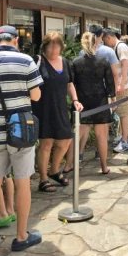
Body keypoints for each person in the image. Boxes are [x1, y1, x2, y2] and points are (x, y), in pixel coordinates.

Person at [0, 25, 43, 252]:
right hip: (20, 133)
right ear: (15, 41)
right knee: (23, 183)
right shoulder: (26, 62)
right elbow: (36, 95)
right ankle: (21, 236)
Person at [32, 32, 82, 193]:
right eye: (50, 45)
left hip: (60, 107)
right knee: (46, 144)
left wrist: (75, 100)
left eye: (57, 45)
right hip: (43, 107)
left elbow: (69, 83)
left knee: (65, 140)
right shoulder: (38, 62)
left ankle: (54, 170)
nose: (54, 48)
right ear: (44, 46)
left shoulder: (66, 62)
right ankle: (43, 179)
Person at [74, 32, 116, 174]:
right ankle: (104, 166)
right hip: (100, 100)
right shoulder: (103, 61)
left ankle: (69, 164)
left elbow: (72, 83)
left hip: (82, 100)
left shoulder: (76, 62)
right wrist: (113, 97)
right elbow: (110, 81)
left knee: (78, 135)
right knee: (102, 136)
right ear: (96, 43)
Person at [103, 29, 128, 153]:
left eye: (105, 40)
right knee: (121, 113)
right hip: (122, 85)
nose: (105, 43)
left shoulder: (121, 47)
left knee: (124, 113)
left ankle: (125, 141)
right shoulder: (118, 46)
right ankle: (123, 137)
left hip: (124, 86)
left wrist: (121, 84)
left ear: (109, 37)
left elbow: (125, 65)